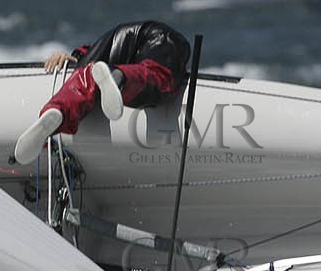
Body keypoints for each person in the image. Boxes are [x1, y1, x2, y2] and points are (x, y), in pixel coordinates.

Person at [11, 20, 192, 164]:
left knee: (157, 80)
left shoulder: (86, 71)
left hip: (150, 41)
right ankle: (113, 79)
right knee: (153, 77)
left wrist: (73, 58)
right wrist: (71, 57)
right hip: (144, 39)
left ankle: (60, 111)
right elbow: (86, 56)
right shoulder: (90, 64)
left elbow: (86, 64)